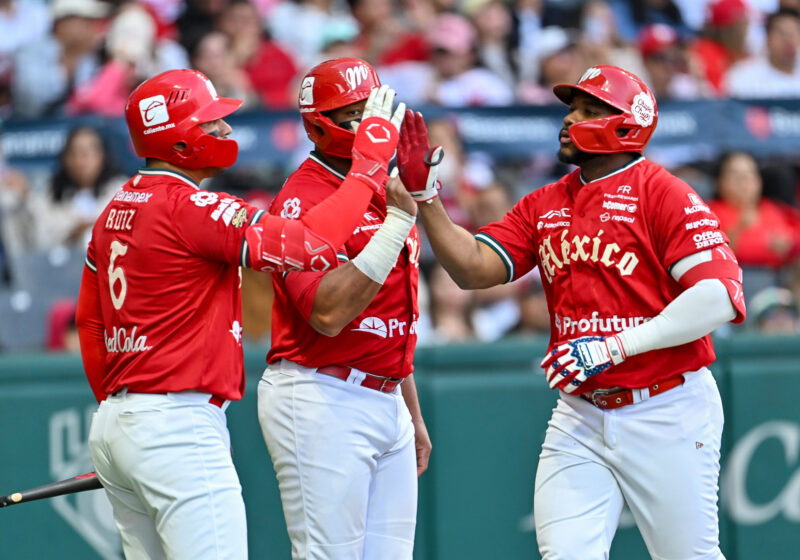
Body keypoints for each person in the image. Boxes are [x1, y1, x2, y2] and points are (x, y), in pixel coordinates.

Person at [403, 65, 747, 559]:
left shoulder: (662, 191)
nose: (569, 120)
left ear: (628, 124)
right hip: (581, 413)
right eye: (571, 108)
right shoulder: (545, 202)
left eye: (589, 110)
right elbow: (474, 269)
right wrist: (427, 199)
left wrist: (614, 347)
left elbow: (719, 295)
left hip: (666, 407)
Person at [75, 67, 405, 559]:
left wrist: (122, 415)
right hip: (176, 422)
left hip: (118, 422)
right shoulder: (189, 206)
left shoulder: (116, 206)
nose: (227, 131)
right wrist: (368, 167)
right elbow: (308, 245)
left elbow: (90, 323)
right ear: (180, 142)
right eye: (211, 124)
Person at [257, 57, 431, 560]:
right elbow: (326, 314)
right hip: (321, 390)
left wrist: (411, 411)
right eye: (354, 113)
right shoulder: (300, 197)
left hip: (385, 394)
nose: (370, 124)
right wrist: (396, 224)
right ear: (319, 124)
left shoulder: (382, 183)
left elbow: (395, 317)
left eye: (372, 107)